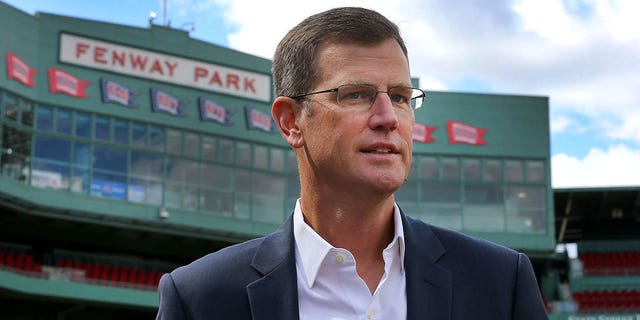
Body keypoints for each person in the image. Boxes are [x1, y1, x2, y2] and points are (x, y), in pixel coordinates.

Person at [156, 7, 548, 320]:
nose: (387, 117)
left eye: (398, 96)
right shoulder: (199, 298)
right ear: (291, 121)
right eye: (356, 94)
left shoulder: (500, 282)